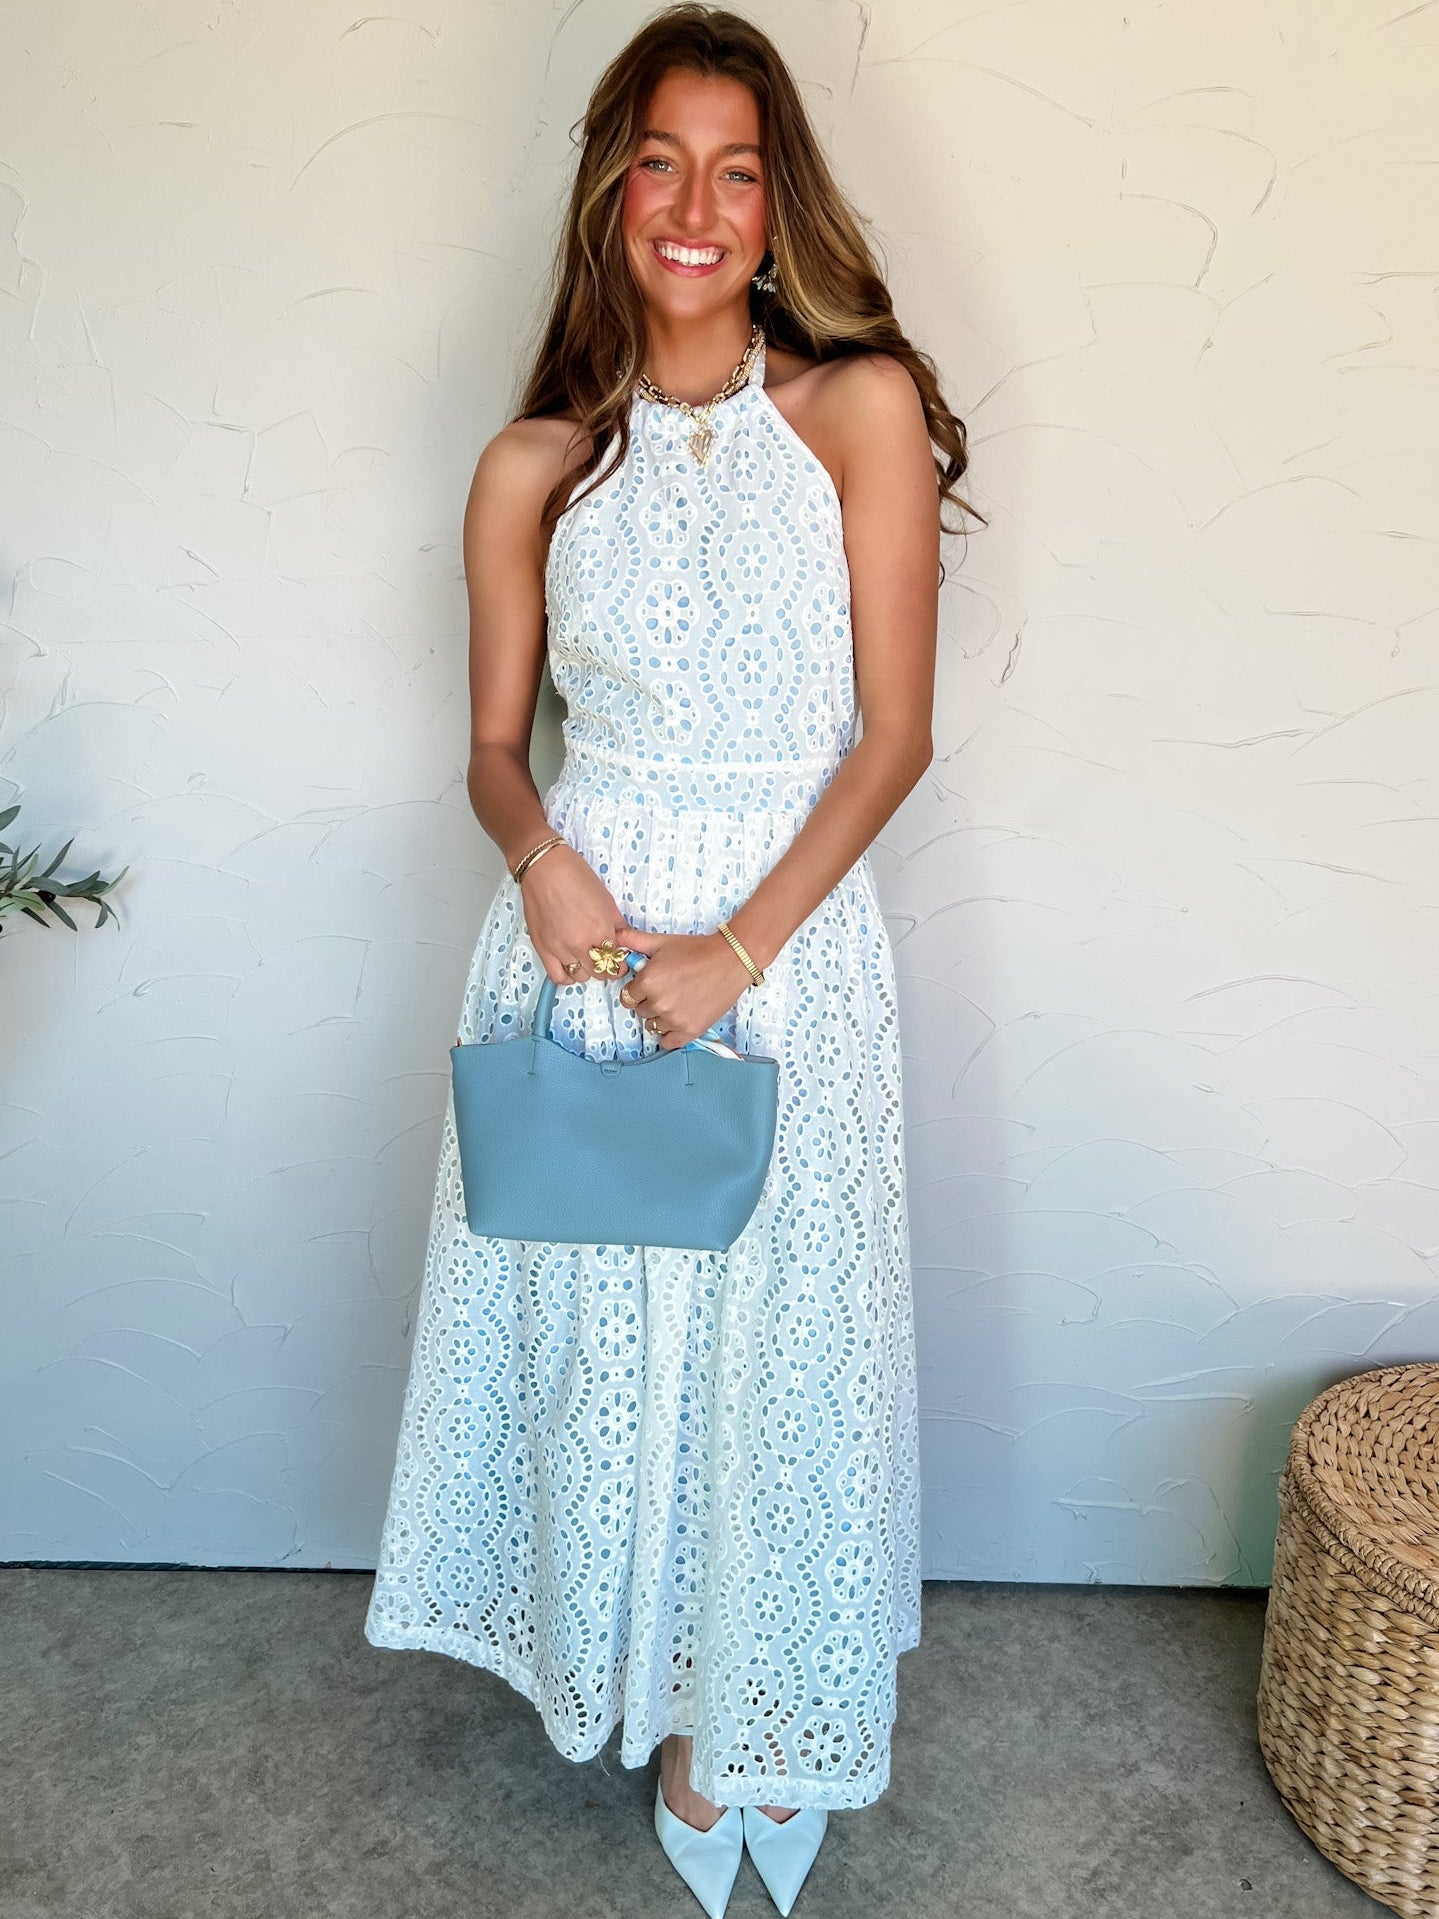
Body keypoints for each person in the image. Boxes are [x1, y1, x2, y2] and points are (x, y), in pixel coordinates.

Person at [364, 7, 979, 1915]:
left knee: (777, 1349)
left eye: (736, 170)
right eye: (658, 162)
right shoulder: (535, 464)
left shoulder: (857, 412)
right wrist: (544, 865)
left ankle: (739, 1721)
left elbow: (895, 737)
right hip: (583, 942)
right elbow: (493, 750)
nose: (694, 206)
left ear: (778, 204)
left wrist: (739, 949)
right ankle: (629, 1671)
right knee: (602, 1345)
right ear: (608, 191)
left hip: (778, 946)